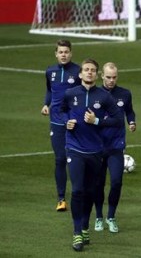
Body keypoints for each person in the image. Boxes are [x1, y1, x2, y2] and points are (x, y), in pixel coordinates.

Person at [62, 59, 122, 251]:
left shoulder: (104, 97)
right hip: (74, 148)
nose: (89, 73)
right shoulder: (70, 94)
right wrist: (66, 121)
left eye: (93, 70)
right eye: (86, 70)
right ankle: (77, 232)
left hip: (95, 151)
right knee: (78, 190)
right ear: (80, 74)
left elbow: (118, 119)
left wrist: (96, 121)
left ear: (97, 75)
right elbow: (61, 110)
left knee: (89, 191)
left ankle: (85, 226)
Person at [93, 63, 136, 233]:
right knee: (98, 183)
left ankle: (111, 216)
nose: (111, 80)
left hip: (116, 146)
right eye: (108, 77)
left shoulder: (124, 94)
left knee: (117, 182)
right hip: (96, 146)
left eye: (114, 77)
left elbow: (130, 111)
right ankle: (98, 217)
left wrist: (131, 121)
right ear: (101, 76)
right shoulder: (93, 94)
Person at [42, 39, 81, 212]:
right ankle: (61, 198)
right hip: (57, 121)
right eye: (61, 52)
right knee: (60, 159)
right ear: (56, 54)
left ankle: (81, 193)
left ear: (70, 53)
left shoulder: (78, 71)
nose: (64, 55)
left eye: (66, 52)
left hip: (74, 121)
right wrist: (46, 104)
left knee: (79, 159)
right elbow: (50, 90)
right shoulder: (50, 71)